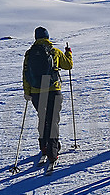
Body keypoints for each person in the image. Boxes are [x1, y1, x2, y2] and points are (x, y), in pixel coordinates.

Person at [23, 26, 73, 169]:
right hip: (53, 90)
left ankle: (44, 148)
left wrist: (27, 93)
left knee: (42, 120)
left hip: (37, 92)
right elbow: (68, 65)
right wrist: (68, 53)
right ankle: (53, 152)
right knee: (53, 122)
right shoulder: (54, 51)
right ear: (48, 37)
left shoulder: (29, 54)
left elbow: (25, 74)